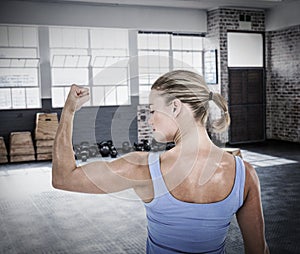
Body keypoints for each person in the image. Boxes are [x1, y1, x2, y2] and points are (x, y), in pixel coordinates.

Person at [52, 70, 269, 254]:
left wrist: (69, 111)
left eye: (153, 110)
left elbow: (63, 177)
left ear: (175, 107)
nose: (150, 119)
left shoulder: (142, 168)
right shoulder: (244, 174)